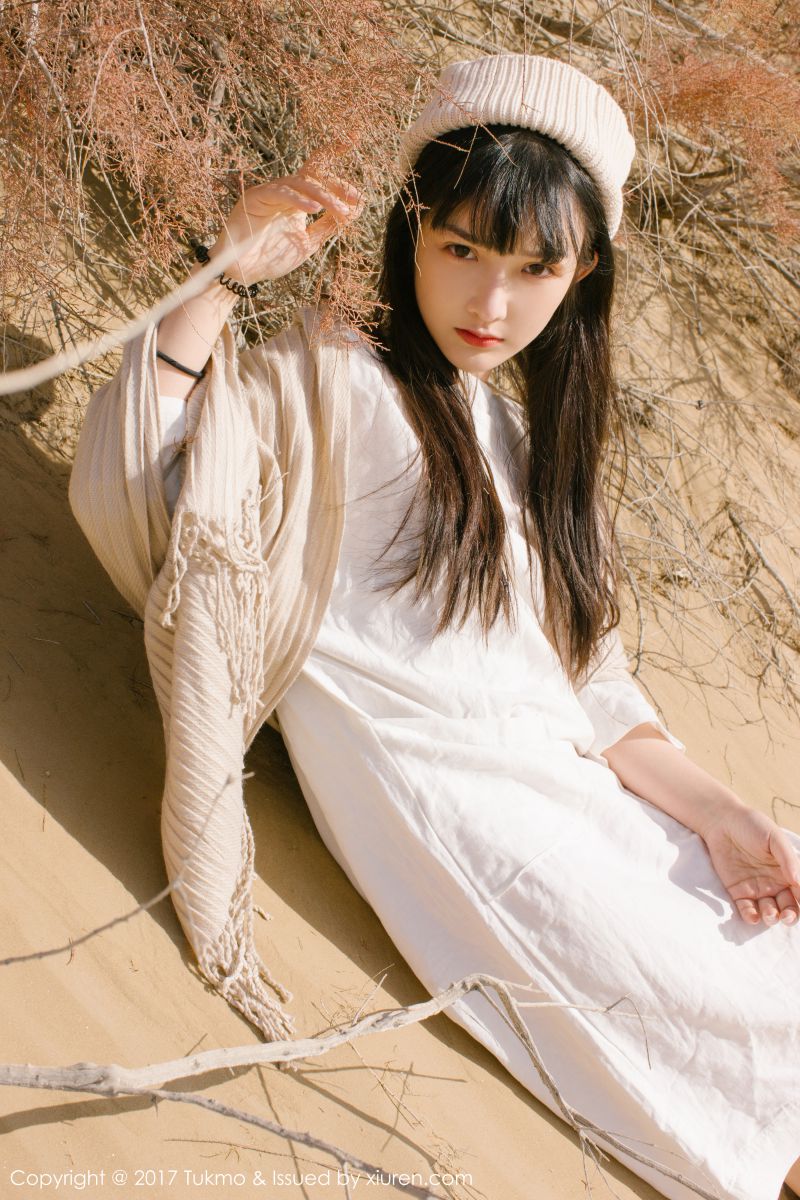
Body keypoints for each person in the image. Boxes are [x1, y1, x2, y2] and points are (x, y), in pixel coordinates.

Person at [68, 54, 800, 1200]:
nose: (489, 305)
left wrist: (719, 816)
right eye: (461, 249)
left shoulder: (514, 441)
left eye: (532, 268)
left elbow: (589, 685)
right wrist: (220, 276)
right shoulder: (330, 379)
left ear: (581, 273)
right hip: (496, 851)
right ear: (410, 226)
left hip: (604, 816)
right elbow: (142, 491)